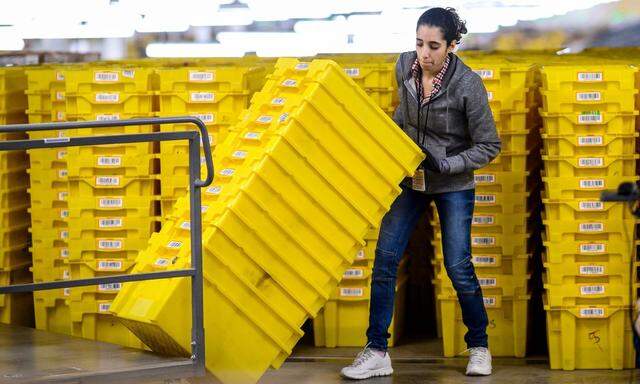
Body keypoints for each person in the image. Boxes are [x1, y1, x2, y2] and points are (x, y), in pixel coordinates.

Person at [340, 7, 501, 380]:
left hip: (453, 184)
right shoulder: (404, 68)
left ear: (452, 46)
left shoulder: (467, 86)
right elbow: (403, 115)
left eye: (433, 46)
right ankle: (377, 350)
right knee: (384, 260)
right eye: (418, 43)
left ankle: (479, 347)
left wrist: (447, 164)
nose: (423, 54)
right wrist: (391, 143)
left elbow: (489, 145)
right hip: (411, 180)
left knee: (458, 267)